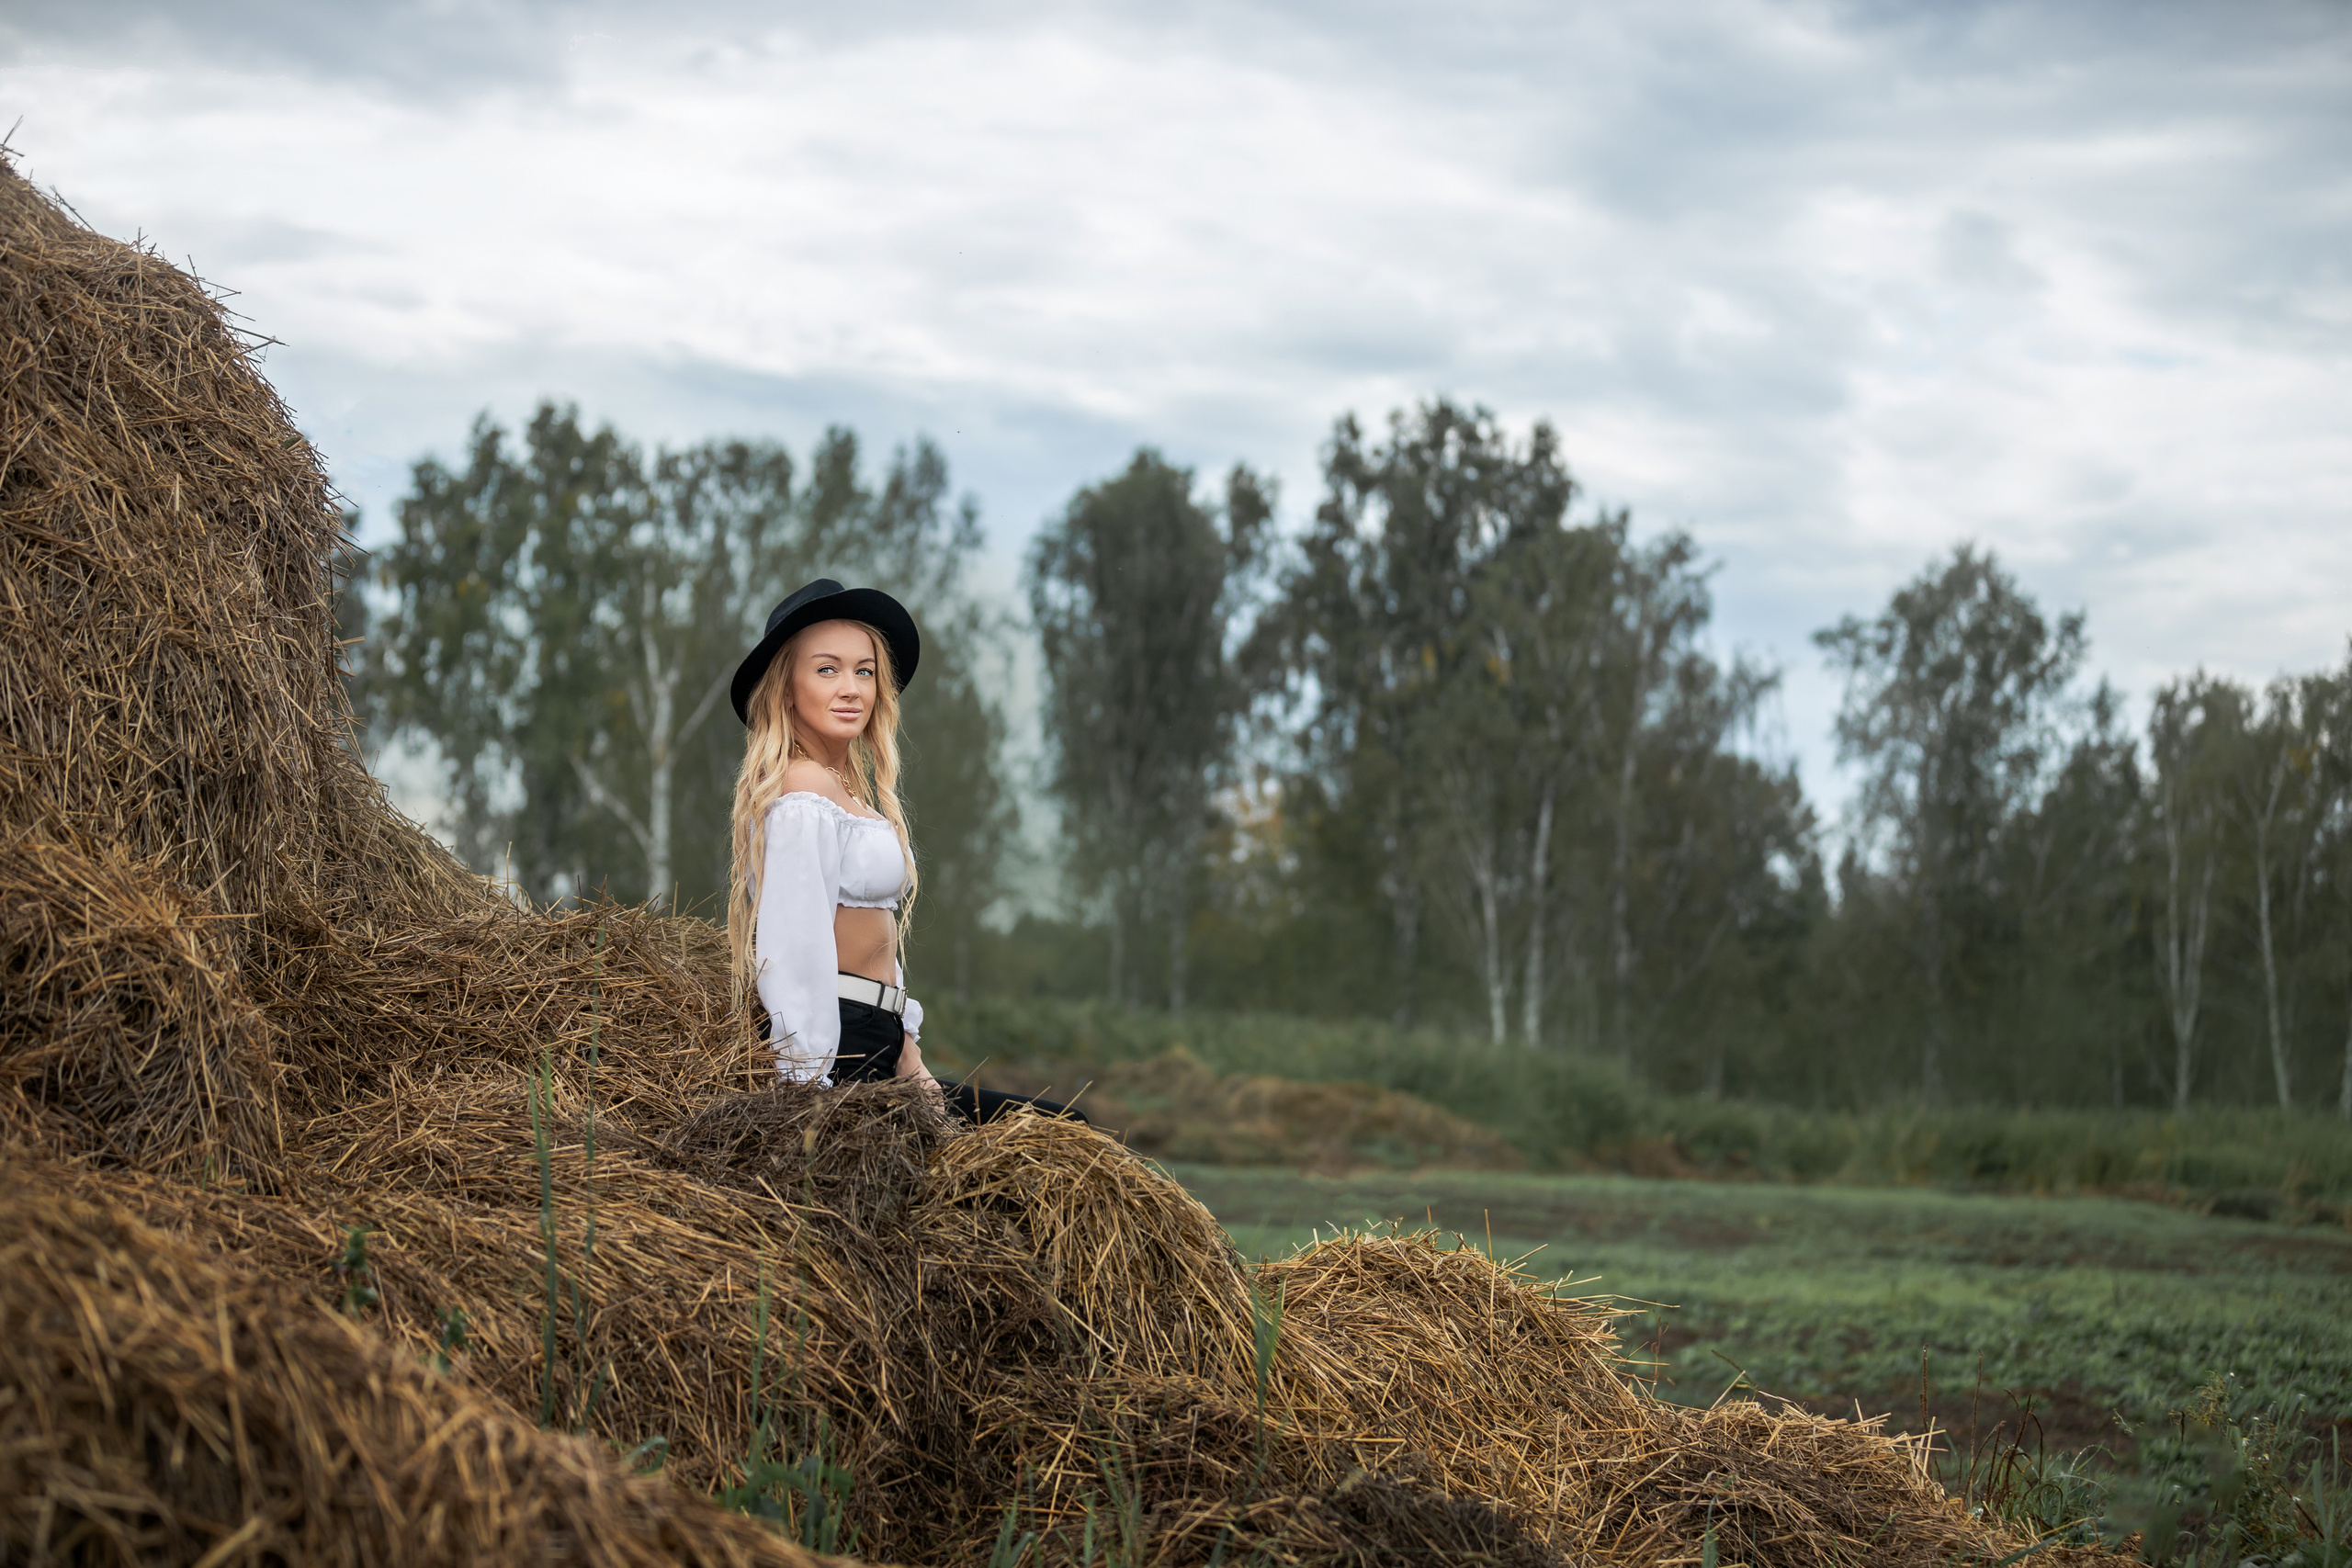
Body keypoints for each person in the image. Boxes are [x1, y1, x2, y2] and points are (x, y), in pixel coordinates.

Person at [726, 578, 1083, 1125]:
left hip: (879, 1042)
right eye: (827, 669)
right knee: (1060, 1128)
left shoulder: (843, 793)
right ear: (786, 686)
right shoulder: (802, 797)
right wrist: (807, 1096)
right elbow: (795, 955)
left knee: (1054, 1129)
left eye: (863, 671)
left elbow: (878, 942)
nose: (851, 688)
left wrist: (908, 1054)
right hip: (837, 1054)